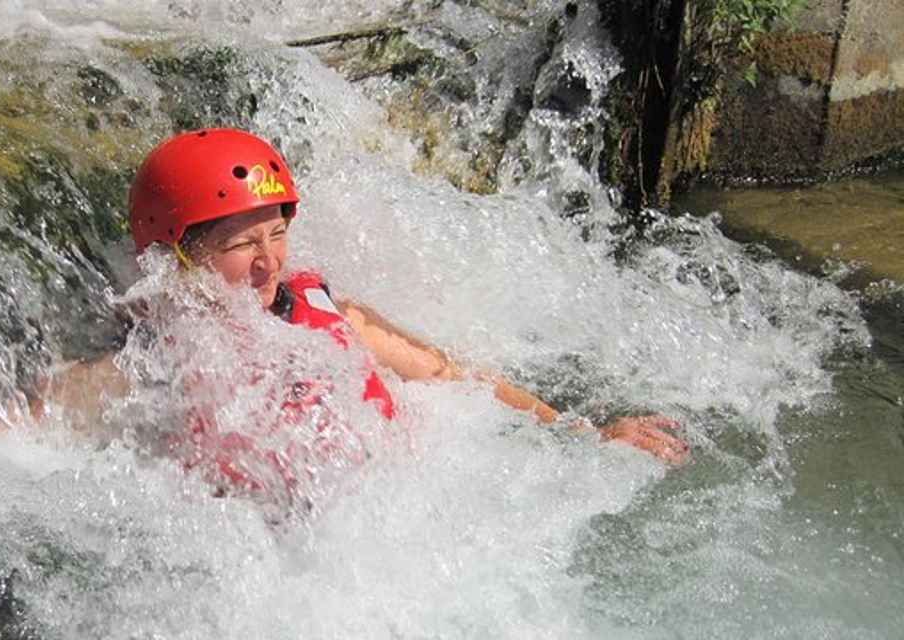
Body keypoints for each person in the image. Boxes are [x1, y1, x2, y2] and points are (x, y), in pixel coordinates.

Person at [34, 127, 689, 467]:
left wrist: (585, 434)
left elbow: (451, 375)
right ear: (179, 253)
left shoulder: (333, 314)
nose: (268, 262)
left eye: (277, 233)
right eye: (241, 245)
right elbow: (23, 426)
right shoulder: (149, 364)